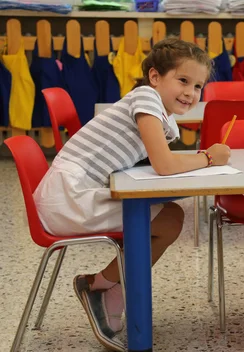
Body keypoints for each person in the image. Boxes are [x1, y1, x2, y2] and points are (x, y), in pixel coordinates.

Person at [33, 38, 231, 351]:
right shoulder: (146, 98)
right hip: (68, 197)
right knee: (167, 221)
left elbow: (154, 165)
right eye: (183, 81)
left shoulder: (159, 112)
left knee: (171, 216)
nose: (190, 93)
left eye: (198, 86)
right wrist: (207, 157)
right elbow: (164, 164)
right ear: (155, 77)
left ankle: (102, 287)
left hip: (72, 190)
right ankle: (100, 287)